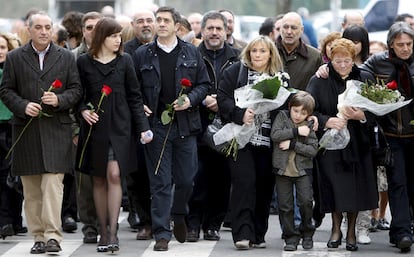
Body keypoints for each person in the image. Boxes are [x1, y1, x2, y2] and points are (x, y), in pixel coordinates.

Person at [0, 11, 82, 254]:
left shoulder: (66, 57)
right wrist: (23, 105)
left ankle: (53, 236)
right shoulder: (15, 57)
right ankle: (38, 236)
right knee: (32, 189)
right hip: (26, 130)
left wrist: (59, 100)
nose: (44, 31)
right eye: (39, 27)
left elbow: (76, 90)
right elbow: (6, 90)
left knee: (53, 185)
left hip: (56, 130)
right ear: (30, 29)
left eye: (48, 27)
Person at [132, 6, 210, 251]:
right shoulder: (143, 54)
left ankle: (178, 213)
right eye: (159, 20)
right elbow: (133, 90)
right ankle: (162, 234)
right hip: (156, 126)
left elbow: (204, 84)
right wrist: (142, 107)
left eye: (166, 20)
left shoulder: (191, 53)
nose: (161, 24)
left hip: (186, 125)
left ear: (177, 26)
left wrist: (191, 99)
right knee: (160, 182)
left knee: (187, 179)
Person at [75, 17, 152, 253]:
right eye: (114, 36)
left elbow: (134, 96)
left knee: (115, 174)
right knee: (98, 177)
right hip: (95, 127)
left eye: (120, 35)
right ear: (102, 37)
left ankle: (114, 233)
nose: (119, 40)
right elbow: (79, 95)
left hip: (121, 126)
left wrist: (143, 127)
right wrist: (83, 111)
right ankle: (103, 231)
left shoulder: (125, 60)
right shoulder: (84, 62)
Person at [306, 38, 378, 252]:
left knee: (355, 188)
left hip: (358, 142)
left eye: (347, 60)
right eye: (338, 61)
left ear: (353, 58)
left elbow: (376, 111)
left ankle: (351, 231)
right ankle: (336, 228)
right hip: (331, 142)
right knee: (334, 187)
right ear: (330, 59)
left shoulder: (364, 77)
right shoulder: (320, 79)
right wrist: (327, 120)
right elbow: (309, 109)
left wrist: (361, 115)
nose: (343, 65)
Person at [217, 35, 285, 250]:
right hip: (241, 139)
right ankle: (242, 234)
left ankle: (258, 232)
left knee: (264, 187)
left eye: (262, 51)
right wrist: (239, 114)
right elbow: (223, 99)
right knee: (244, 183)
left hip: (268, 141)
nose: (257, 55)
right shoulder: (235, 72)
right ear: (248, 53)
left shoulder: (280, 78)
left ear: (271, 54)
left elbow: (284, 107)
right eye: (254, 50)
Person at [359, 21, 414, 252]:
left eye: (409, 44)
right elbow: (358, 74)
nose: (405, 48)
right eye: (400, 44)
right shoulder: (377, 61)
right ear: (391, 44)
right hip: (391, 134)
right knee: (398, 182)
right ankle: (401, 232)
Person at [185, 10, 240, 243]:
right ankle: (193, 223)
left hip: (227, 125)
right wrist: (203, 98)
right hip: (197, 124)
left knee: (221, 178)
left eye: (219, 28)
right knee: (196, 176)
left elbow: (244, 88)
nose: (215, 32)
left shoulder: (238, 57)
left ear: (227, 30)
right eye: (210, 28)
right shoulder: (190, 55)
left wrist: (223, 103)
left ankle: (213, 224)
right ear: (202, 30)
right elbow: (184, 85)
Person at [123, 8, 156, 241]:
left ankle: (166, 218)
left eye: (149, 21)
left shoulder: (167, 47)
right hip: (135, 122)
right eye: (140, 21)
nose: (145, 25)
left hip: (165, 119)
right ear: (133, 26)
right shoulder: (125, 52)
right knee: (138, 175)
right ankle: (145, 221)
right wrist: (137, 106)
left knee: (167, 175)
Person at [270, 91, 318, 251]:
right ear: (290, 107)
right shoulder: (282, 117)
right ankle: (290, 236)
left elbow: (313, 150)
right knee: (285, 205)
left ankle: (307, 233)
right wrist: (296, 132)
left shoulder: (309, 126)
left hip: (302, 171)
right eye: (295, 111)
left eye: (303, 113)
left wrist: (293, 145)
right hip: (282, 171)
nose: (298, 115)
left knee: (305, 202)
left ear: (309, 114)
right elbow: (275, 134)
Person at [71, 10, 103, 244]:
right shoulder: (72, 57)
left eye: (97, 26)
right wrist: (74, 128)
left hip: (107, 128)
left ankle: (105, 223)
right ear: (83, 30)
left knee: (107, 178)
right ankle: (89, 226)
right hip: (80, 127)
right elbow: (71, 96)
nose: (93, 31)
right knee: (84, 181)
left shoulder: (113, 54)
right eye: (89, 27)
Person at [0, 32, 27, 240]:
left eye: (2, 47)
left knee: (16, 175)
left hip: (15, 125)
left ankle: (16, 220)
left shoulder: (14, 70)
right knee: (2, 176)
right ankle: (5, 220)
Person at [276, 12, 323, 91]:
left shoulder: (315, 57)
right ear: (280, 29)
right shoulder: (269, 53)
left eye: (294, 28)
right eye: (285, 27)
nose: (289, 32)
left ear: (301, 30)